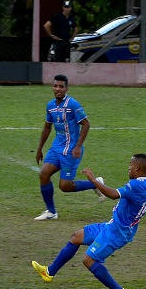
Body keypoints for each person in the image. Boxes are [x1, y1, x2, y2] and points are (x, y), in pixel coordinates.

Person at [31, 154, 146, 289]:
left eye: (130, 165)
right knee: (76, 237)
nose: (128, 168)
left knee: (89, 260)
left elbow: (113, 195)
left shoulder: (136, 185)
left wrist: (93, 180)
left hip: (118, 232)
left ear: (137, 168)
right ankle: (49, 272)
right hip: (113, 226)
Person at [34, 74, 102, 221]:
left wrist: (78, 146)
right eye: (55, 86)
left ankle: (95, 183)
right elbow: (47, 127)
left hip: (70, 150)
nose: (58, 89)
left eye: (61, 86)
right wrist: (40, 148)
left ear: (66, 88)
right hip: (56, 148)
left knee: (65, 186)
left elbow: (86, 124)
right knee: (43, 174)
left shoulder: (73, 105)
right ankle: (51, 212)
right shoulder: (50, 106)